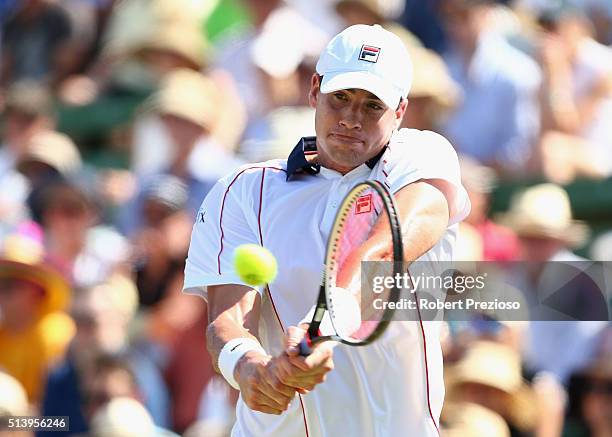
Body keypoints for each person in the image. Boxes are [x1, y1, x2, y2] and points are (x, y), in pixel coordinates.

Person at [183, 24, 470, 436]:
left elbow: (384, 253)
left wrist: (323, 327)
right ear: (315, 90)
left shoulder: (422, 157)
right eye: (341, 98)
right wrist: (247, 366)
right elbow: (228, 318)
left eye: (373, 105)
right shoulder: (245, 189)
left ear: (401, 111)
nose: (352, 118)